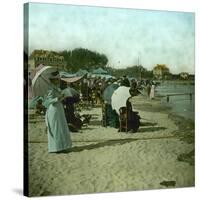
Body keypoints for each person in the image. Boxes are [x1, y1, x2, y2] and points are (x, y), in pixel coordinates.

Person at [44, 71, 72, 153]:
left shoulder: (56, 88)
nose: (58, 81)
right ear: (53, 80)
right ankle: (56, 147)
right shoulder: (50, 89)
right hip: (54, 109)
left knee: (61, 127)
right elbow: (48, 101)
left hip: (59, 108)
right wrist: (57, 98)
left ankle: (62, 146)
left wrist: (62, 97)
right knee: (55, 127)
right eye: (57, 79)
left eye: (58, 79)